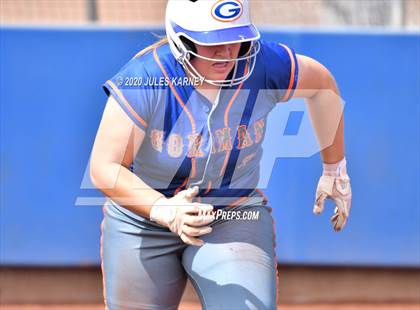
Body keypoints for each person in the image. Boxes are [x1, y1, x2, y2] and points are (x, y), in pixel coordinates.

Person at [90, 0, 352, 309]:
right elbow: (103, 167)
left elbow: (322, 85)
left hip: (231, 213)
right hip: (143, 220)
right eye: (212, 42)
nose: (227, 52)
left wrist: (335, 168)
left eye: (234, 38)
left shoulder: (262, 65)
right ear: (182, 41)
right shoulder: (148, 78)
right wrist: (163, 209)